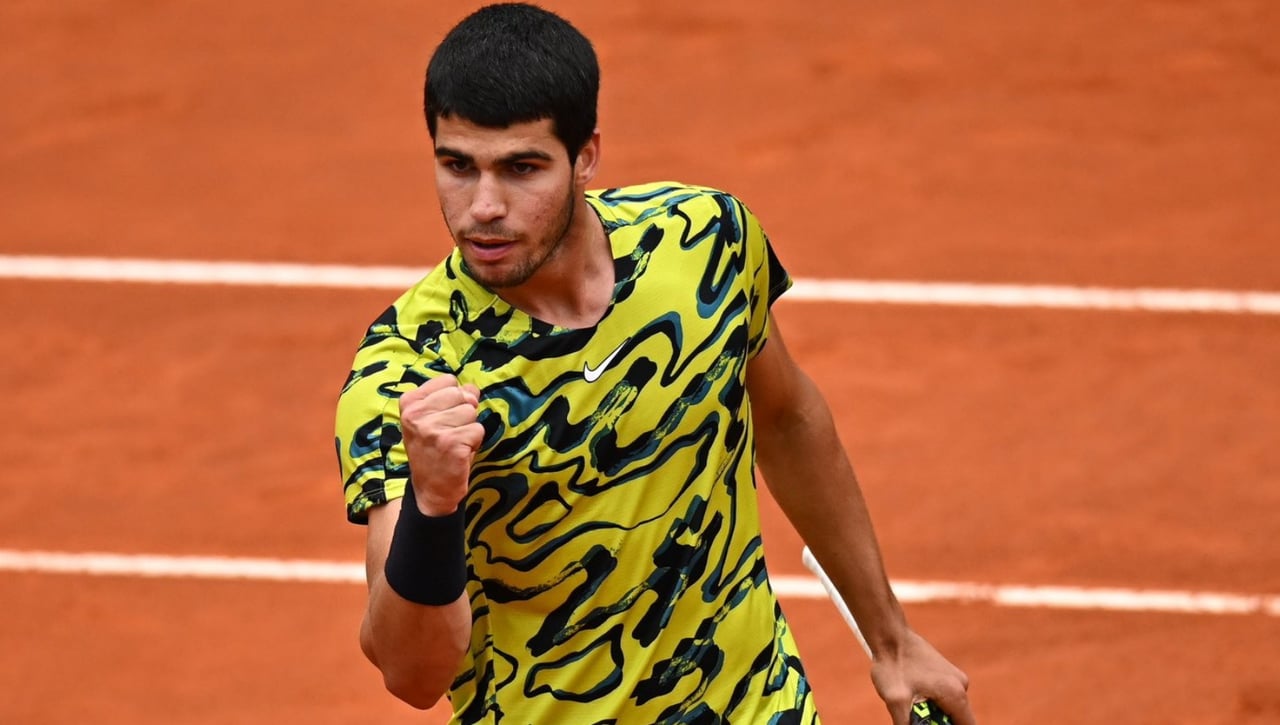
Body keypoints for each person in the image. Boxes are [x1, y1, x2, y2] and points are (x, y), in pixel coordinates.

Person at [334, 3, 975, 723]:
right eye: (457, 165)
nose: (483, 206)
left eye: (521, 168)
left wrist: (891, 638)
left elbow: (788, 419)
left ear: (587, 156)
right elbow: (411, 673)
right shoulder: (410, 371)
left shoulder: (701, 242)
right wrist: (433, 503)